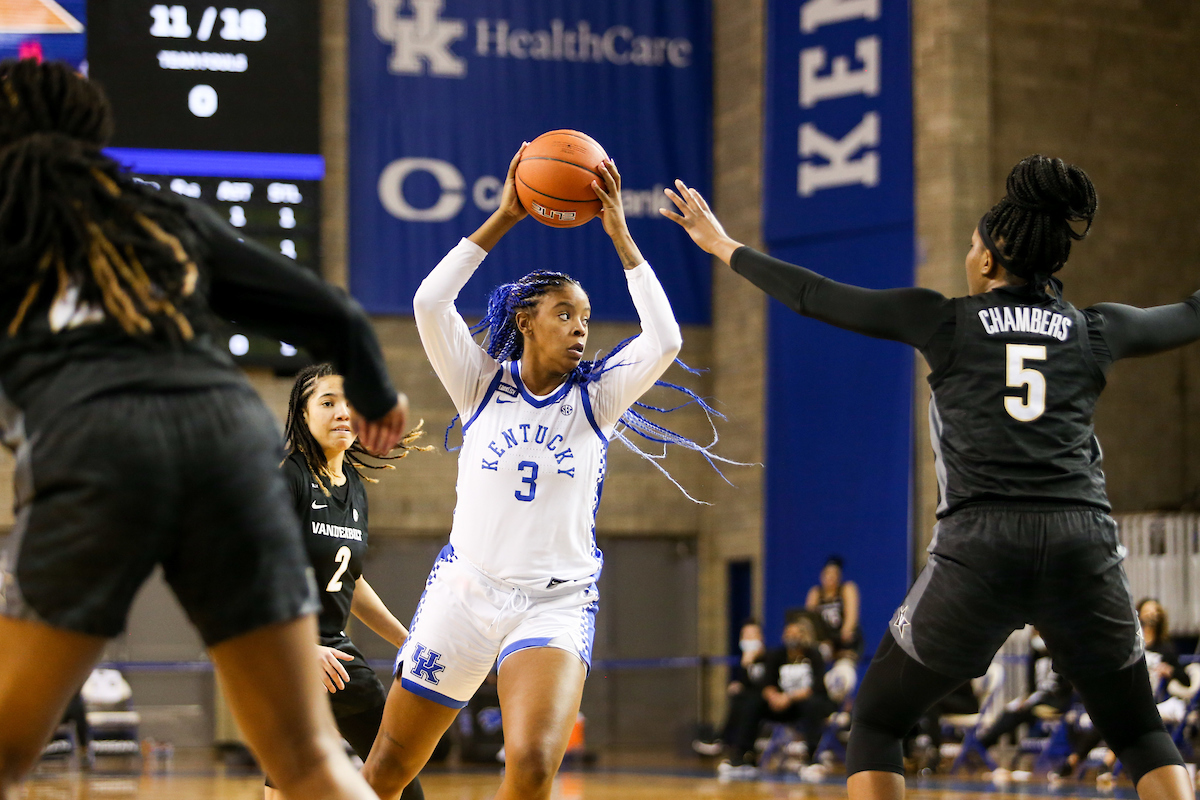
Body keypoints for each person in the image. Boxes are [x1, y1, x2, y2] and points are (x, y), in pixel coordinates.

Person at [663, 154, 1200, 800]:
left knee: (877, 720)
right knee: (1140, 731)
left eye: (972, 246)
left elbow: (815, 296)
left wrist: (723, 245)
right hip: (1080, 541)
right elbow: (1193, 313)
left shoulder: (945, 320)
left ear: (989, 262)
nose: (968, 255)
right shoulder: (1095, 330)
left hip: (983, 545)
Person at [0, 59, 409, 800]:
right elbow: (335, 314)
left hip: (95, 441)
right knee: (308, 758)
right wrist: (378, 398)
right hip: (231, 435)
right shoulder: (159, 212)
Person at [363, 144, 710, 800]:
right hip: (465, 593)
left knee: (530, 767)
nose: (580, 329)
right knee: (385, 770)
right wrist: (506, 215)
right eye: (564, 314)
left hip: (554, 604)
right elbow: (430, 302)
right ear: (524, 320)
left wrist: (620, 234)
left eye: (585, 318)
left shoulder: (598, 396)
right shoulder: (479, 385)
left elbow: (665, 340)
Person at [263, 364, 427, 800]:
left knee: (392, 774)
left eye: (350, 403)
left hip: (332, 656)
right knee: (386, 774)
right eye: (328, 402)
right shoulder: (288, 478)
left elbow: (351, 580)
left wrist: (406, 641)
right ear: (303, 415)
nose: (342, 412)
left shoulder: (353, 485)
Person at [692, 618, 770, 759]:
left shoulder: (770, 658)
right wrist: (740, 681)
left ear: (761, 637)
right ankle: (726, 741)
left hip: (767, 700)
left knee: (746, 699)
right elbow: (747, 683)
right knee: (739, 697)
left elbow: (766, 683)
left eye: (752, 635)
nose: (748, 640)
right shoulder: (746, 660)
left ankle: (725, 741)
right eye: (745, 636)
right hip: (751, 701)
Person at [806, 555, 863, 662]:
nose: (830, 577)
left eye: (834, 574)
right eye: (827, 574)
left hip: (843, 640)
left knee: (844, 662)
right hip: (824, 641)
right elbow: (809, 620)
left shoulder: (846, 589)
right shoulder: (816, 592)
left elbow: (851, 618)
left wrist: (843, 636)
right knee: (816, 653)